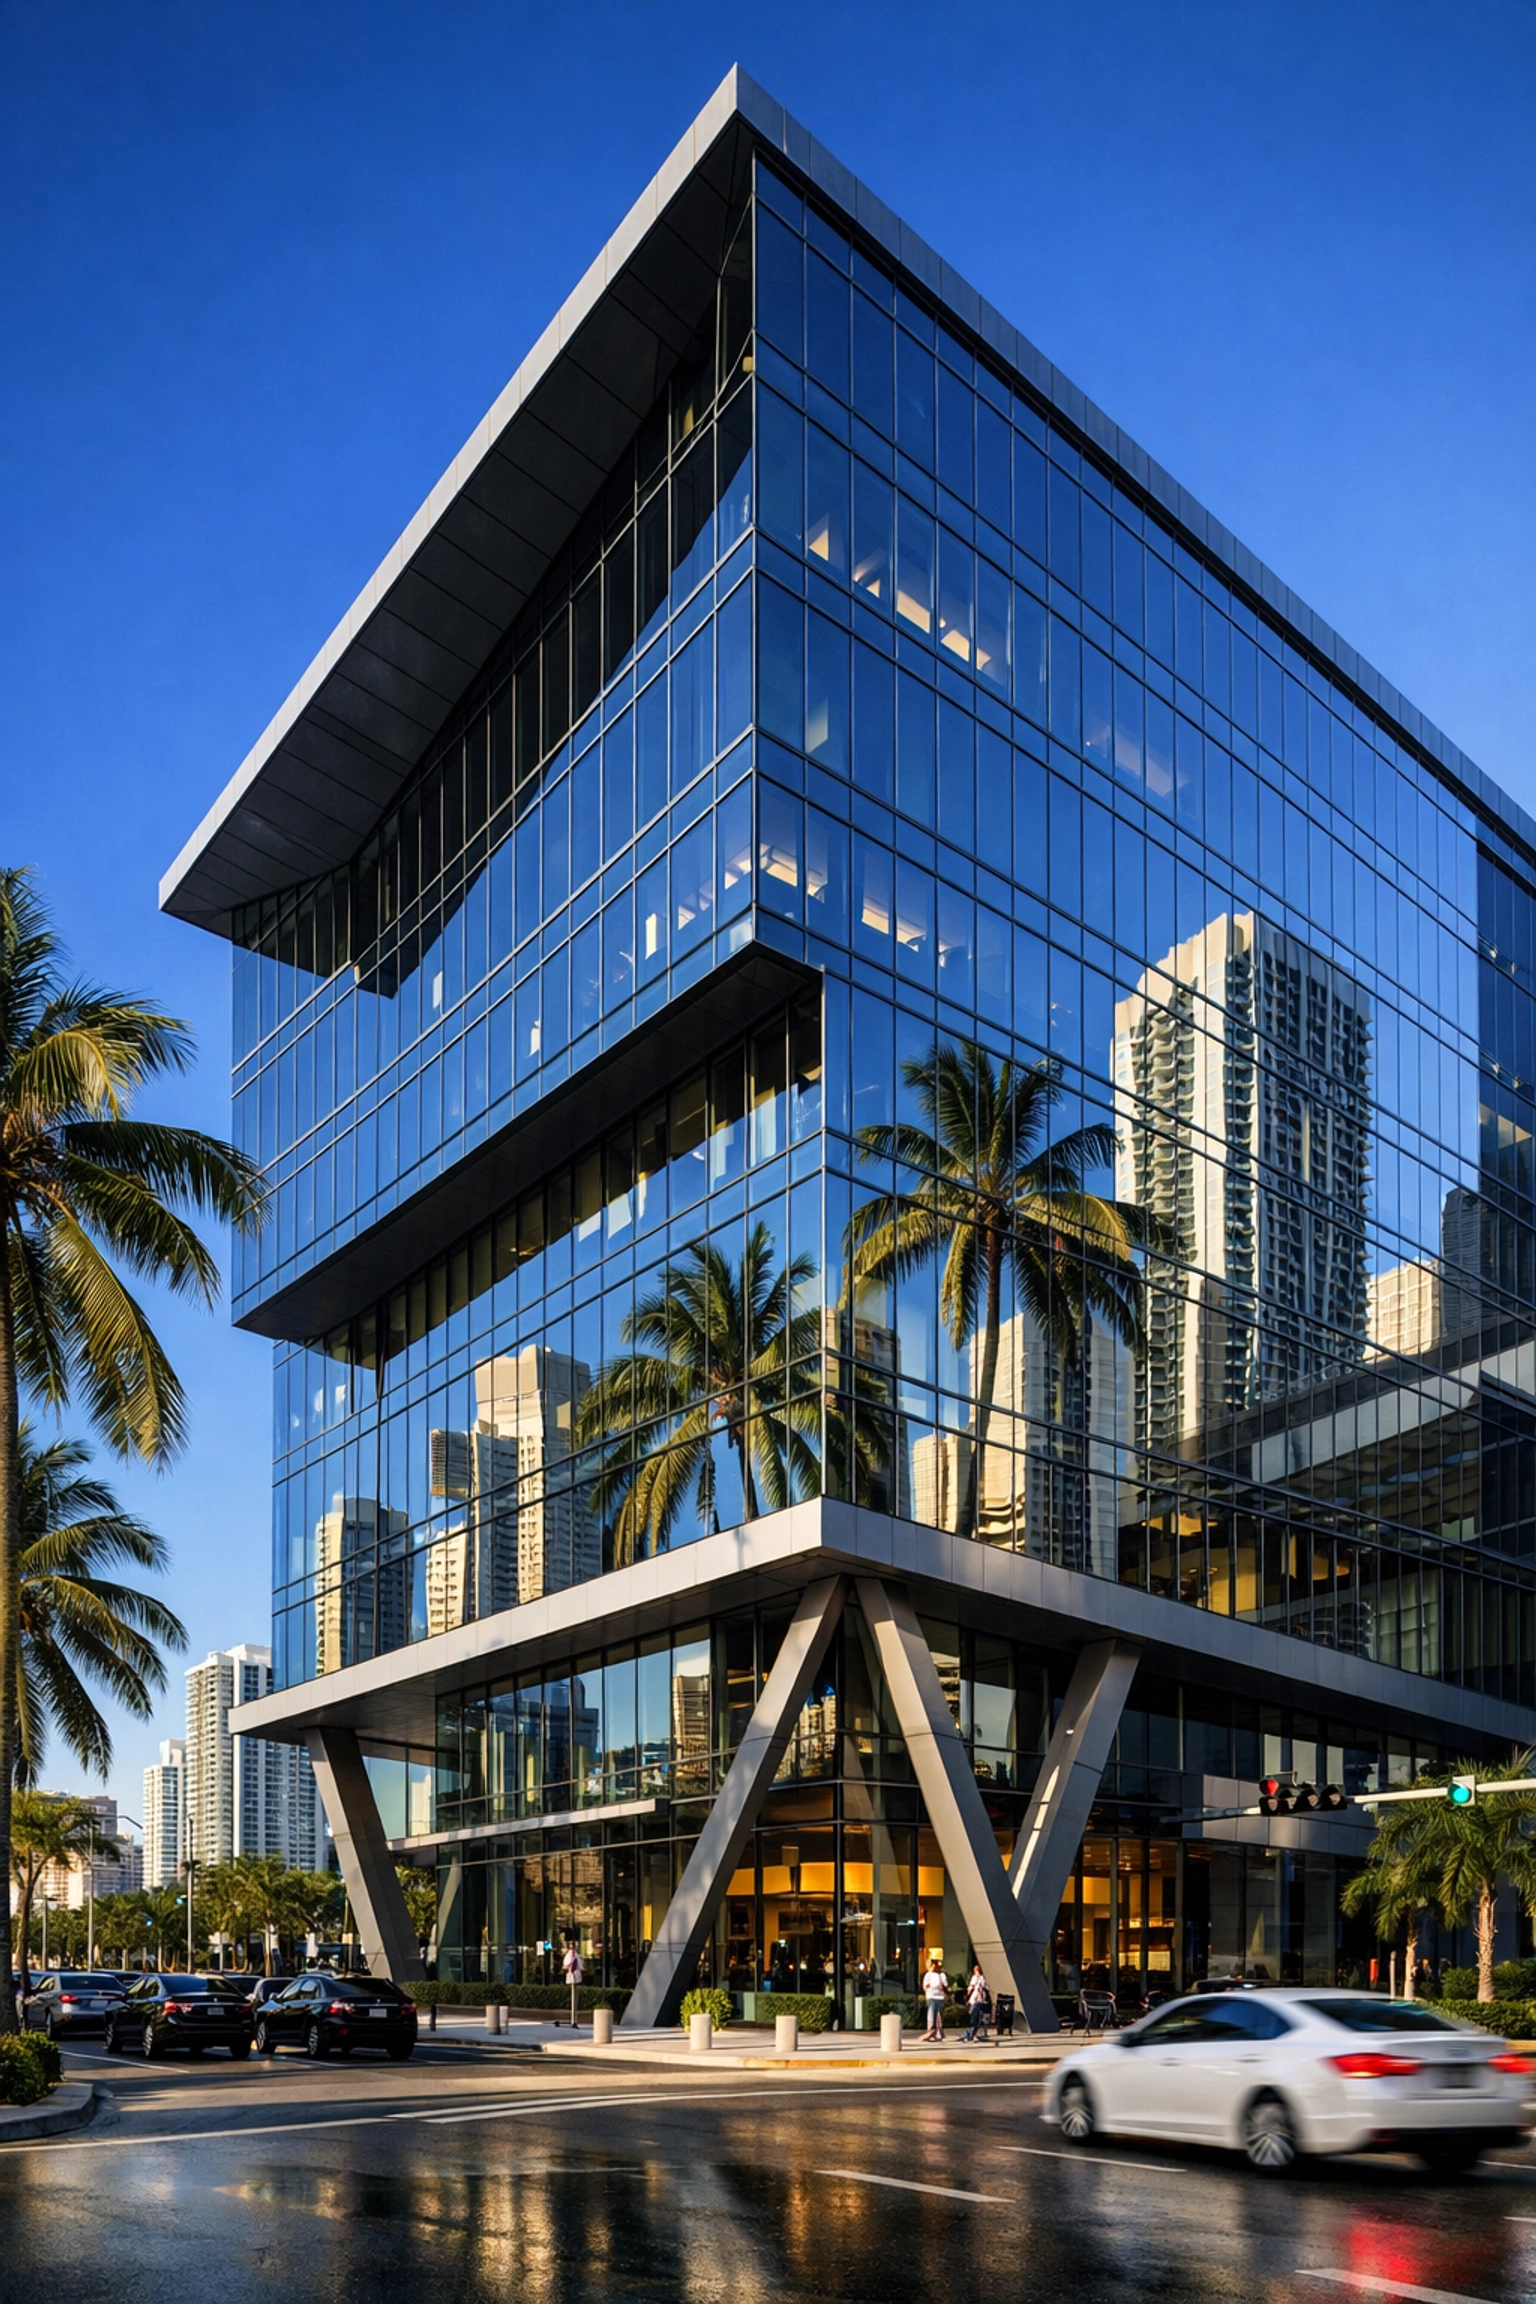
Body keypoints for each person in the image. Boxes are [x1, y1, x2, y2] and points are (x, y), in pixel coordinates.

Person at [922, 1955, 950, 2043]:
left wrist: (945, 1991)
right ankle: (931, 2032)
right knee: (931, 2014)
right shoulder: (928, 1975)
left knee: (939, 2015)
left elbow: (945, 1985)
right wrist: (934, 1987)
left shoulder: (942, 1975)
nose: (935, 1966)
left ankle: (939, 2032)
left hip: (940, 1997)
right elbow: (926, 1986)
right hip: (932, 1996)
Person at [962, 1963, 991, 2043]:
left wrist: (967, 1996)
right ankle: (977, 2033)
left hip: (977, 2000)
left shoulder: (978, 1978)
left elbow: (971, 1989)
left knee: (976, 2016)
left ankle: (974, 2033)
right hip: (980, 2000)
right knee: (979, 2017)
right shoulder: (981, 1978)